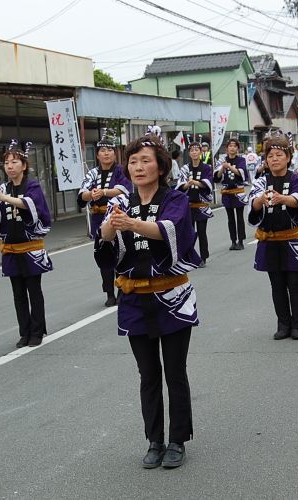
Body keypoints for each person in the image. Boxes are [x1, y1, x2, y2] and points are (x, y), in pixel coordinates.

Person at [96, 132, 200, 470]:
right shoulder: (121, 204)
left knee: (175, 371)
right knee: (148, 373)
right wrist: (109, 231)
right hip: (134, 300)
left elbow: (173, 230)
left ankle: (178, 440)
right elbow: (106, 246)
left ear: (160, 166)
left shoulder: (175, 198)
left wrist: (132, 224)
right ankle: (154, 439)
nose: (138, 167)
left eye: (145, 160)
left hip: (171, 297)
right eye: (134, 161)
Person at [0, 140, 53, 348]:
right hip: (10, 250)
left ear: (24, 165)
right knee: (18, 294)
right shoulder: (2, 188)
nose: (10, 166)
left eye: (15, 162)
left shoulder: (32, 185)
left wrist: (3, 197)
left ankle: (37, 331)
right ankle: (24, 332)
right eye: (7, 163)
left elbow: (31, 206)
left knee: (34, 290)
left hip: (30, 249)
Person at [248, 136, 298, 340]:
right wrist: (260, 201)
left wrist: (283, 198)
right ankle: (283, 323)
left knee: (294, 283)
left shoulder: (296, 179)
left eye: (279, 155)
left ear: (288, 157)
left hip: (293, 240)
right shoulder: (261, 181)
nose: (274, 159)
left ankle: (297, 324)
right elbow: (253, 205)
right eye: (270, 156)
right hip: (270, 240)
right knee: (277, 284)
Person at [78, 132, 132, 306]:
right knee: (103, 254)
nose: (106, 153)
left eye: (109, 150)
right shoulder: (92, 173)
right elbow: (82, 194)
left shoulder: (121, 171)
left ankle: (121, 288)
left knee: (121, 252)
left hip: (118, 216)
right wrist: (91, 194)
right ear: (97, 154)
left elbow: (125, 190)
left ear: (115, 153)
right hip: (98, 217)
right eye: (102, 150)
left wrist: (104, 192)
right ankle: (109, 292)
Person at [177, 141, 214, 267]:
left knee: (202, 232)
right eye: (192, 150)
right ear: (189, 153)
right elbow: (180, 185)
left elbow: (208, 183)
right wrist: (188, 184)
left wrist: (196, 183)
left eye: (196, 150)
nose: (194, 152)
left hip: (201, 205)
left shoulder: (206, 168)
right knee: (189, 232)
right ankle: (190, 257)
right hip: (188, 206)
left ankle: (203, 257)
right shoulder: (185, 168)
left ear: (200, 152)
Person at [215, 138, 248, 250]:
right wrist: (222, 169)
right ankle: (233, 241)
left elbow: (242, 173)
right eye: (230, 146)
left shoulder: (241, 160)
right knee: (230, 218)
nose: (232, 148)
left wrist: (229, 167)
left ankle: (241, 241)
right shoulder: (222, 160)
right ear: (227, 148)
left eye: (235, 146)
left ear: (238, 148)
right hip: (227, 193)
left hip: (238, 192)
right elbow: (217, 176)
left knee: (239, 217)